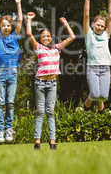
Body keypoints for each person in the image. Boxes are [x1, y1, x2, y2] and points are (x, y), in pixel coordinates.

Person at [26, 12, 75, 150]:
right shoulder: (38, 48)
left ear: (51, 37)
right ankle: (37, 141)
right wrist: (29, 20)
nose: (46, 38)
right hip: (40, 83)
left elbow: (72, 37)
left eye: (48, 36)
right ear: (40, 39)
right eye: (43, 37)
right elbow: (29, 35)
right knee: (40, 111)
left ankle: (52, 142)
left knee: (50, 111)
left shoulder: (57, 48)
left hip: (52, 83)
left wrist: (65, 24)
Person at [0, 0, 23, 142]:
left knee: (10, 102)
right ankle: (0, 130)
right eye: (3, 25)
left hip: (13, 73)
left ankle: (8, 129)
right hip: (0, 72)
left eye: (8, 25)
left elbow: (20, 20)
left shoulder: (14, 36)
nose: (6, 27)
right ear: (0, 27)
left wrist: (18, 3)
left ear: (11, 27)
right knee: (1, 102)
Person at [82, 0, 111, 114]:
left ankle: (100, 104)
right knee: (95, 94)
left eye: (102, 25)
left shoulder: (106, 35)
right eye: (98, 24)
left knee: (104, 96)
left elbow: (110, 18)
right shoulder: (88, 34)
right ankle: (87, 106)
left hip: (105, 67)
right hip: (93, 68)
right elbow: (86, 15)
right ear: (93, 24)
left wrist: (110, 0)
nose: (100, 27)